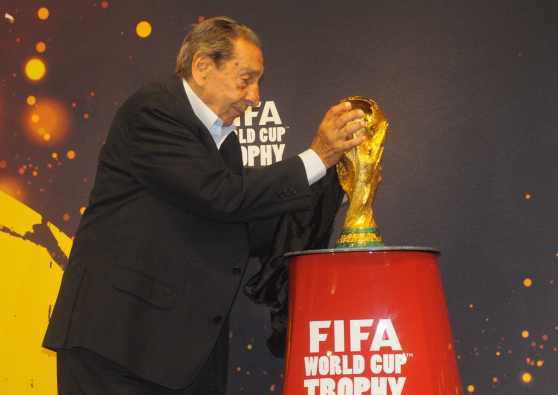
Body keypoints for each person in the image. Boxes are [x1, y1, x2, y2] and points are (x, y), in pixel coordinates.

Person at [43, 16, 365, 394]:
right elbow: (222, 196)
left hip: (176, 351)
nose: (255, 97)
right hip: (119, 344)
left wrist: (327, 192)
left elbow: (242, 226)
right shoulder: (155, 109)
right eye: (245, 79)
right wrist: (316, 158)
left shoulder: (222, 141)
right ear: (201, 66)